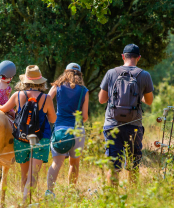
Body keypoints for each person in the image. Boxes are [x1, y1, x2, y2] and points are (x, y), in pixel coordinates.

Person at [0, 65, 56, 203]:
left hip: (20, 139)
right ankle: (26, 202)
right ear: (40, 82)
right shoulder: (46, 98)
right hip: (41, 139)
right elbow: (53, 119)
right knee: (33, 174)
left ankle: (25, 202)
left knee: (24, 174)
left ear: (25, 81)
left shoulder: (17, 95)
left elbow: (3, 108)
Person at [98, 44, 154, 186]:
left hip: (112, 124)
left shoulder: (111, 73)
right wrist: (138, 97)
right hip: (134, 126)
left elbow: (101, 99)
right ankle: (133, 197)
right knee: (133, 165)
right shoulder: (144, 75)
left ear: (123, 56)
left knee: (113, 166)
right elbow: (149, 101)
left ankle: (112, 199)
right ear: (138, 58)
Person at [46, 63, 89, 197]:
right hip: (77, 131)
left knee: (57, 163)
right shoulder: (84, 91)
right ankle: (71, 192)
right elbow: (85, 117)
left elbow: (46, 101)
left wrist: (53, 114)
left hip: (59, 129)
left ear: (66, 73)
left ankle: (49, 192)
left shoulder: (57, 87)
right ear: (79, 75)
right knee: (74, 163)